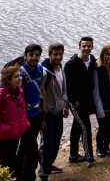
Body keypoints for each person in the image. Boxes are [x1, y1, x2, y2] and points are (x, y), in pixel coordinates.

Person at [0, 65, 31, 178]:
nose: (20, 78)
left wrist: (25, 124)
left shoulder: (19, 91)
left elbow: (22, 111)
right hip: (1, 140)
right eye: (16, 77)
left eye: (20, 75)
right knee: (15, 169)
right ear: (8, 80)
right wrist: (9, 129)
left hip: (14, 137)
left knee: (5, 166)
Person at [64, 37, 97, 167]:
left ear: (92, 47)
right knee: (85, 128)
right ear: (79, 46)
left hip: (87, 101)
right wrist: (72, 102)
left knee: (76, 127)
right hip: (75, 103)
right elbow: (67, 86)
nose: (86, 48)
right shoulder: (70, 64)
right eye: (84, 46)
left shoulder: (92, 60)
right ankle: (89, 157)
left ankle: (73, 155)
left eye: (89, 46)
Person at [38, 43, 67, 181]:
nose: (58, 57)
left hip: (58, 111)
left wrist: (65, 106)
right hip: (48, 114)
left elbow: (63, 89)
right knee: (46, 143)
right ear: (49, 54)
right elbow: (40, 95)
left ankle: (49, 165)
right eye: (55, 54)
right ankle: (43, 172)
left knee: (56, 141)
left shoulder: (60, 67)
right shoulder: (44, 71)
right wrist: (42, 117)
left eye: (60, 54)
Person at [17, 44, 44, 181]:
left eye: (37, 55)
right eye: (31, 55)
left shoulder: (40, 69)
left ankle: (24, 175)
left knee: (27, 147)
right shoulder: (20, 73)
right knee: (30, 149)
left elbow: (41, 91)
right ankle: (26, 176)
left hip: (37, 115)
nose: (34, 58)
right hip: (24, 118)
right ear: (25, 55)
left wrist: (42, 113)